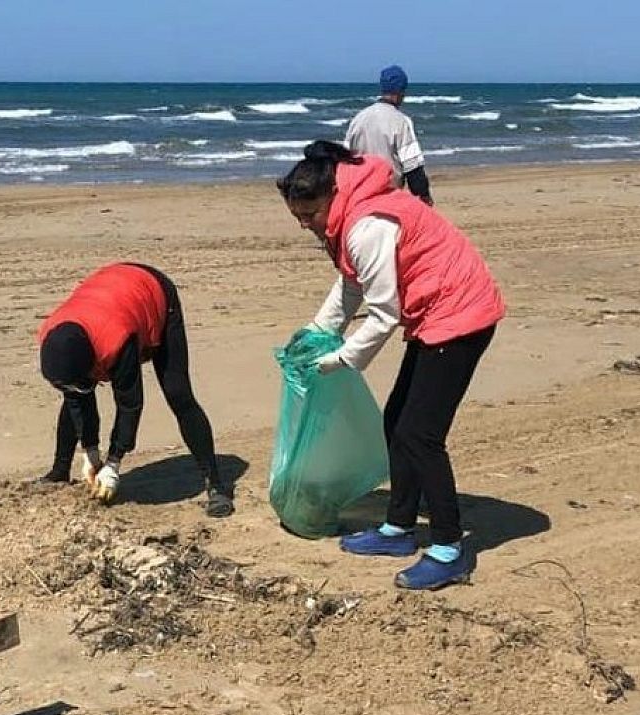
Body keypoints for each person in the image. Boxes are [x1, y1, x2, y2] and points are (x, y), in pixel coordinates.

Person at [276, 140, 505, 589]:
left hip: (462, 315)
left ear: (332, 197)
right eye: (298, 218)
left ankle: (448, 548)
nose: (306, 225)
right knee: (396, 422)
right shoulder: (349, 214)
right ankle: (398, 528)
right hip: (435, 313)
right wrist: (316, 330)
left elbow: (384, 314)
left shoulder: (367, 226)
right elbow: (350, 285)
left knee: (421, 436)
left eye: (311, 215)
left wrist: (338, 360)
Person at [36, 262, 234, 518]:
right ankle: (59, 472)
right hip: (109, 296)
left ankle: (216, 485)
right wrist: (91, 452)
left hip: (152, 291)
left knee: (178, 394)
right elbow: (76, 399)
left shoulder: (115, 340)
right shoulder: (55, 345)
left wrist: (114, 462)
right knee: (75, 395)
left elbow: (130, 404)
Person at [346, 65, 434, 206]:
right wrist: (424, 197)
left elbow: (346, 160)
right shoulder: (400, 121)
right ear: (401, 91)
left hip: (360, 196)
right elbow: (412, 167)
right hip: (388, 195)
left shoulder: (358, 119)